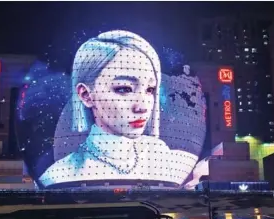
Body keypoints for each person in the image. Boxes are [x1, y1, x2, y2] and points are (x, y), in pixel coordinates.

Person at [38, 30, 198, 187]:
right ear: (86, 95)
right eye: (124, 89)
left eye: (150, 90)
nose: (142, 107)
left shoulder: (172, 162)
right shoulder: (60, 175)